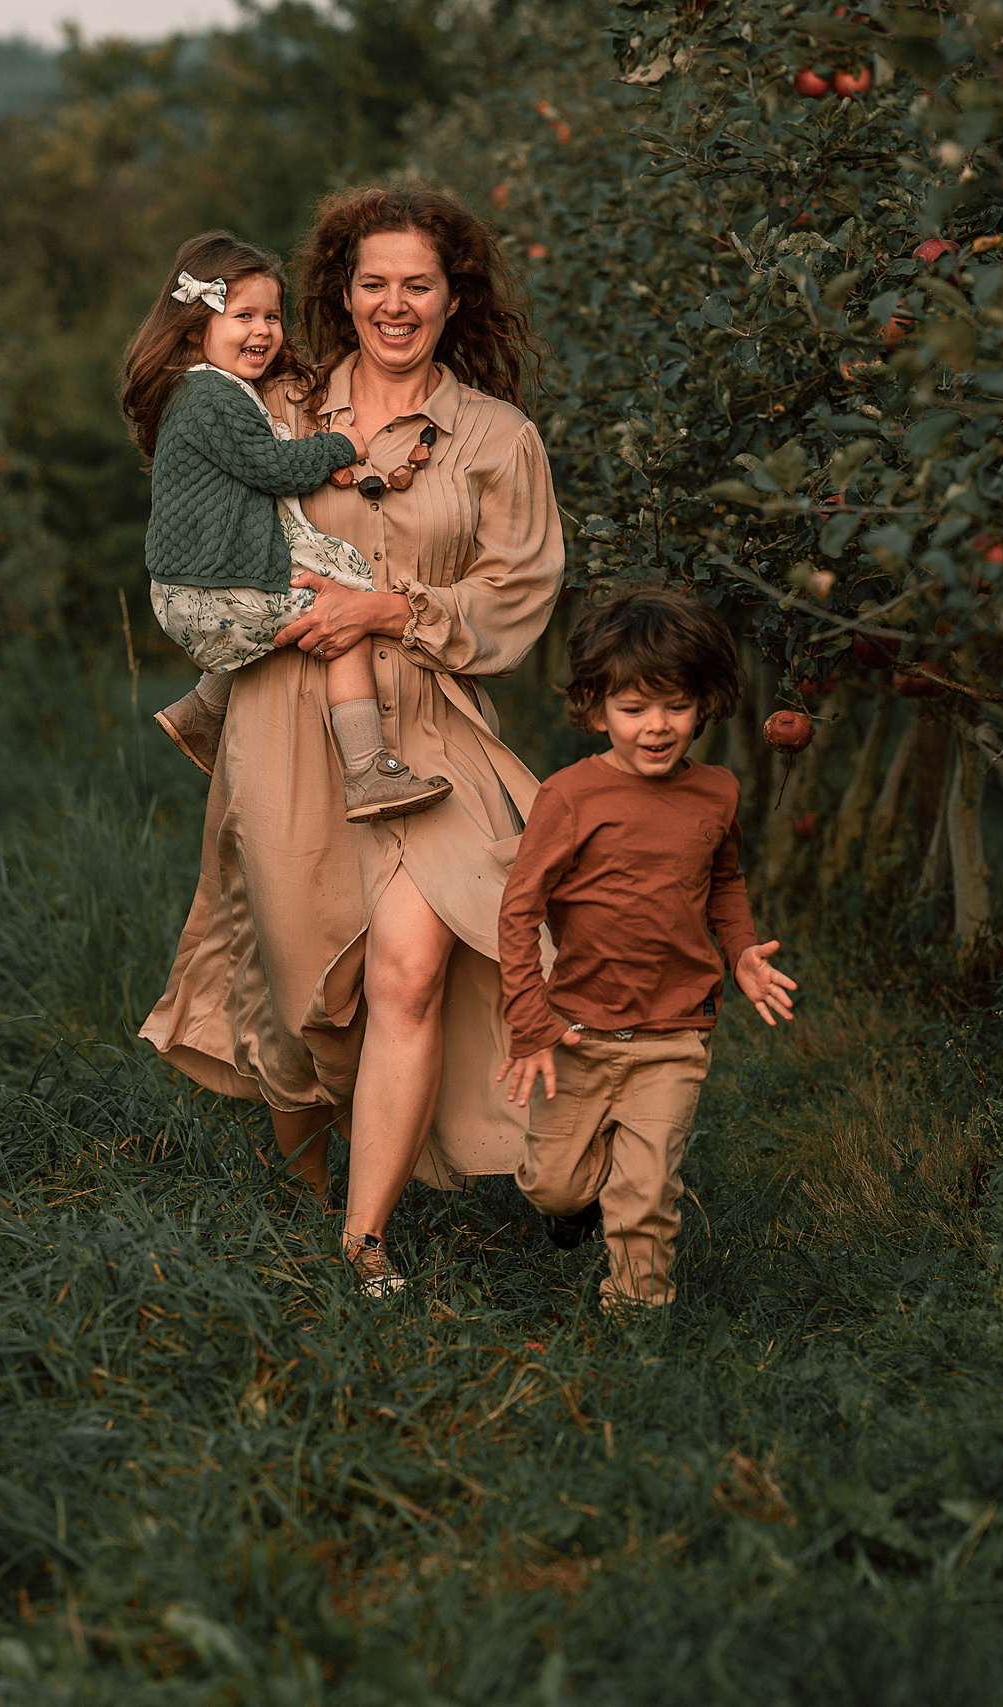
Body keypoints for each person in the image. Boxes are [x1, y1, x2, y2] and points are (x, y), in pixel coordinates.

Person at [142, 185, 563, 1297]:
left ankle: (361, 1244)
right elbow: (182, 465)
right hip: (285, 718)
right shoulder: (270, 401)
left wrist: (393, 610)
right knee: (299, 1005)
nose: (393, 303)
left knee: (412, 969)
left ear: (452, 294)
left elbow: (515, 600)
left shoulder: (496, 439)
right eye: (371, 282)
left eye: (416, 283)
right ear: (341, 291)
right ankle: (299, 1200)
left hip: (427, 729)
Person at [496, 588, 797, 1310]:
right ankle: (576, 1206)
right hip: (577, 1031)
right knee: (553, 1181)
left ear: (707, 703)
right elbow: (519, 909)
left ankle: (636, 1315)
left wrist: (744, 951)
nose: (657, 727)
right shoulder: (570, 798)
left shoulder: (717, 793)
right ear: (597, 710)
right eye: (634, 710)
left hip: (675, 1033)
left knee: (646, 1191)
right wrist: (531, 1018)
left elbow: (724, 879)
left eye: (676, 706)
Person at [130, 231, 450, 823]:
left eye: (272, 316)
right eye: (243, 315)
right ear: (198, 326)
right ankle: (367, 770)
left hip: (194, 586)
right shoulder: (211, 397)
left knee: (326, 573)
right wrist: (341, 444)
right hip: (205, 588)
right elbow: (273, 469)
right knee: (339, 610)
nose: (262, 330)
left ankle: (202, 713)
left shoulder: (215, 390)